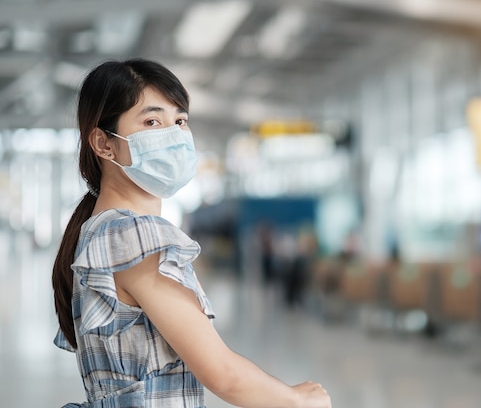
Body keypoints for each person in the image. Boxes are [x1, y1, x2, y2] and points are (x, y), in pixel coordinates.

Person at [51, 58, 332, 408]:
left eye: (180, 120)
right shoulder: (132, 235)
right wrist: (297, 400)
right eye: (152, 121)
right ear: (104, 143)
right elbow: (222, 374)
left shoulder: (99, 230)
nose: (173, 134)